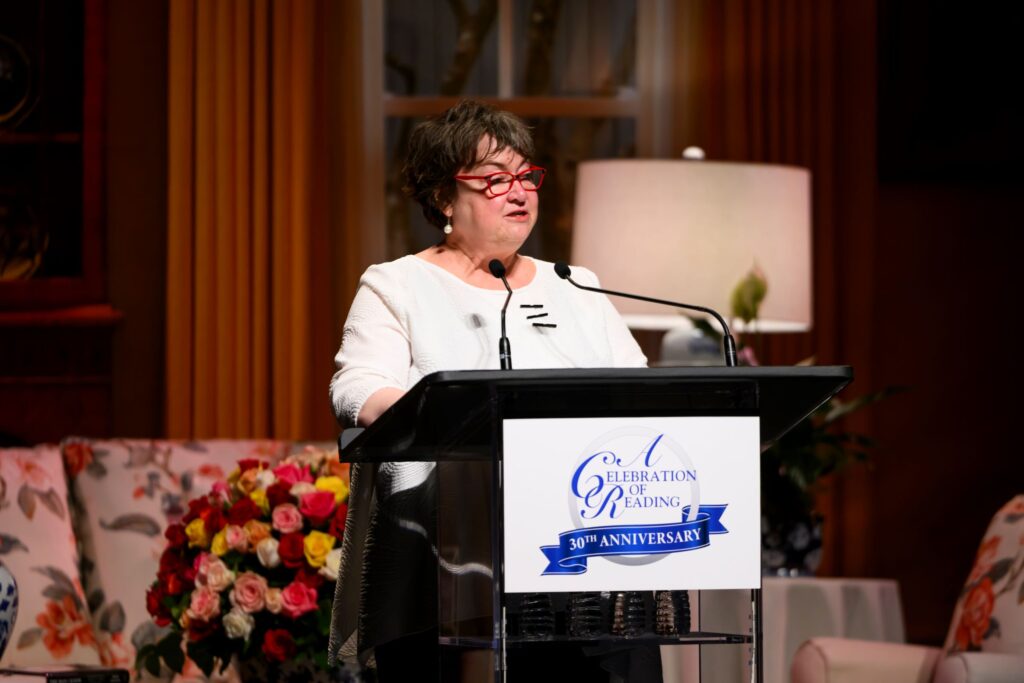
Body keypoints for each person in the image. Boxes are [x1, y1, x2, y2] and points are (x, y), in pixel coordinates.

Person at [328, 100, 658, 682]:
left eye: (527, 176)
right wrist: (435, 416)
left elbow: (637, 394)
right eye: (494, 179)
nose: (519, 192)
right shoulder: (397, 284)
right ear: (444, 198)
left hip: (590, 562)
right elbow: (357, 385)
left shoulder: (575, 287)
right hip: (448, 564)